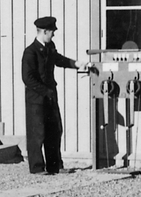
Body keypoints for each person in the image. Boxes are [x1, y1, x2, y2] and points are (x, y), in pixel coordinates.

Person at [21, 16, 92, 175]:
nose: (53, 34)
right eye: (52, 32)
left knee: (54, 130)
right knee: (37, 134)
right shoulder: (30, 52)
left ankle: (55, 166)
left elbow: (58, 60)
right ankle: (37, 168)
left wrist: (76, 64)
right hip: (36, 100)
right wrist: (45, 91)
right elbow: (27, 78)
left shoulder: (49, 47)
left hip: (50, 97)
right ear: (44, 31)